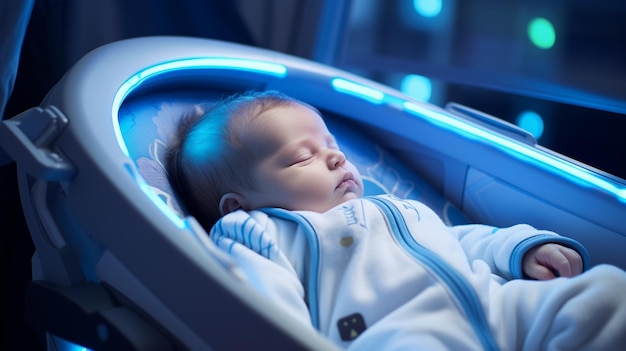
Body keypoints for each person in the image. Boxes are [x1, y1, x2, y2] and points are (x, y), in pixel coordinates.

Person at [167, 90, 626, 350]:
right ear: (237, 204)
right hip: (397, 333)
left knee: (607, 292)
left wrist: (521, 249)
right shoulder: (262, 233)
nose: (333, 158)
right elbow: (263, 303)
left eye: (331, 146)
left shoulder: (391, 207)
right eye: (301, 158)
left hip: (497, 305)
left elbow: (463, 240)